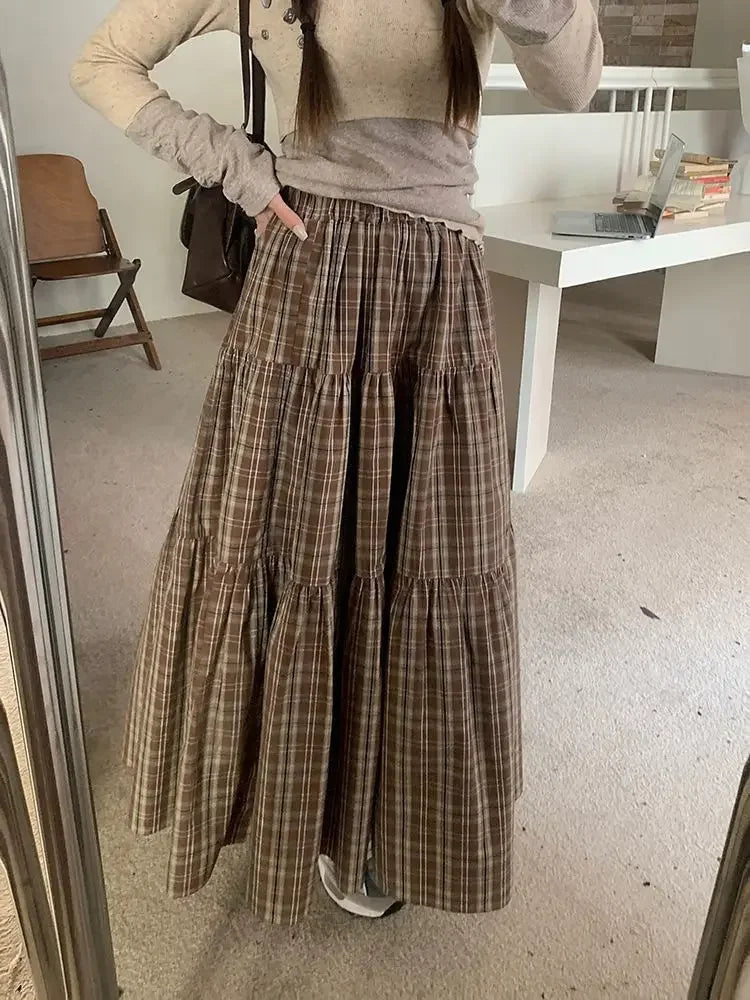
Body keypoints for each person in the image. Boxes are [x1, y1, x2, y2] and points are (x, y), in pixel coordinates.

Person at [71, 0, 602, 926]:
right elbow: (102, 62)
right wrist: (237, 168)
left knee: (425, 549)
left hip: (433, 283)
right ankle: (298, 804)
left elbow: (574, 84)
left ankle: (385, 819)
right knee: (292, 540)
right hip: (304, 265)